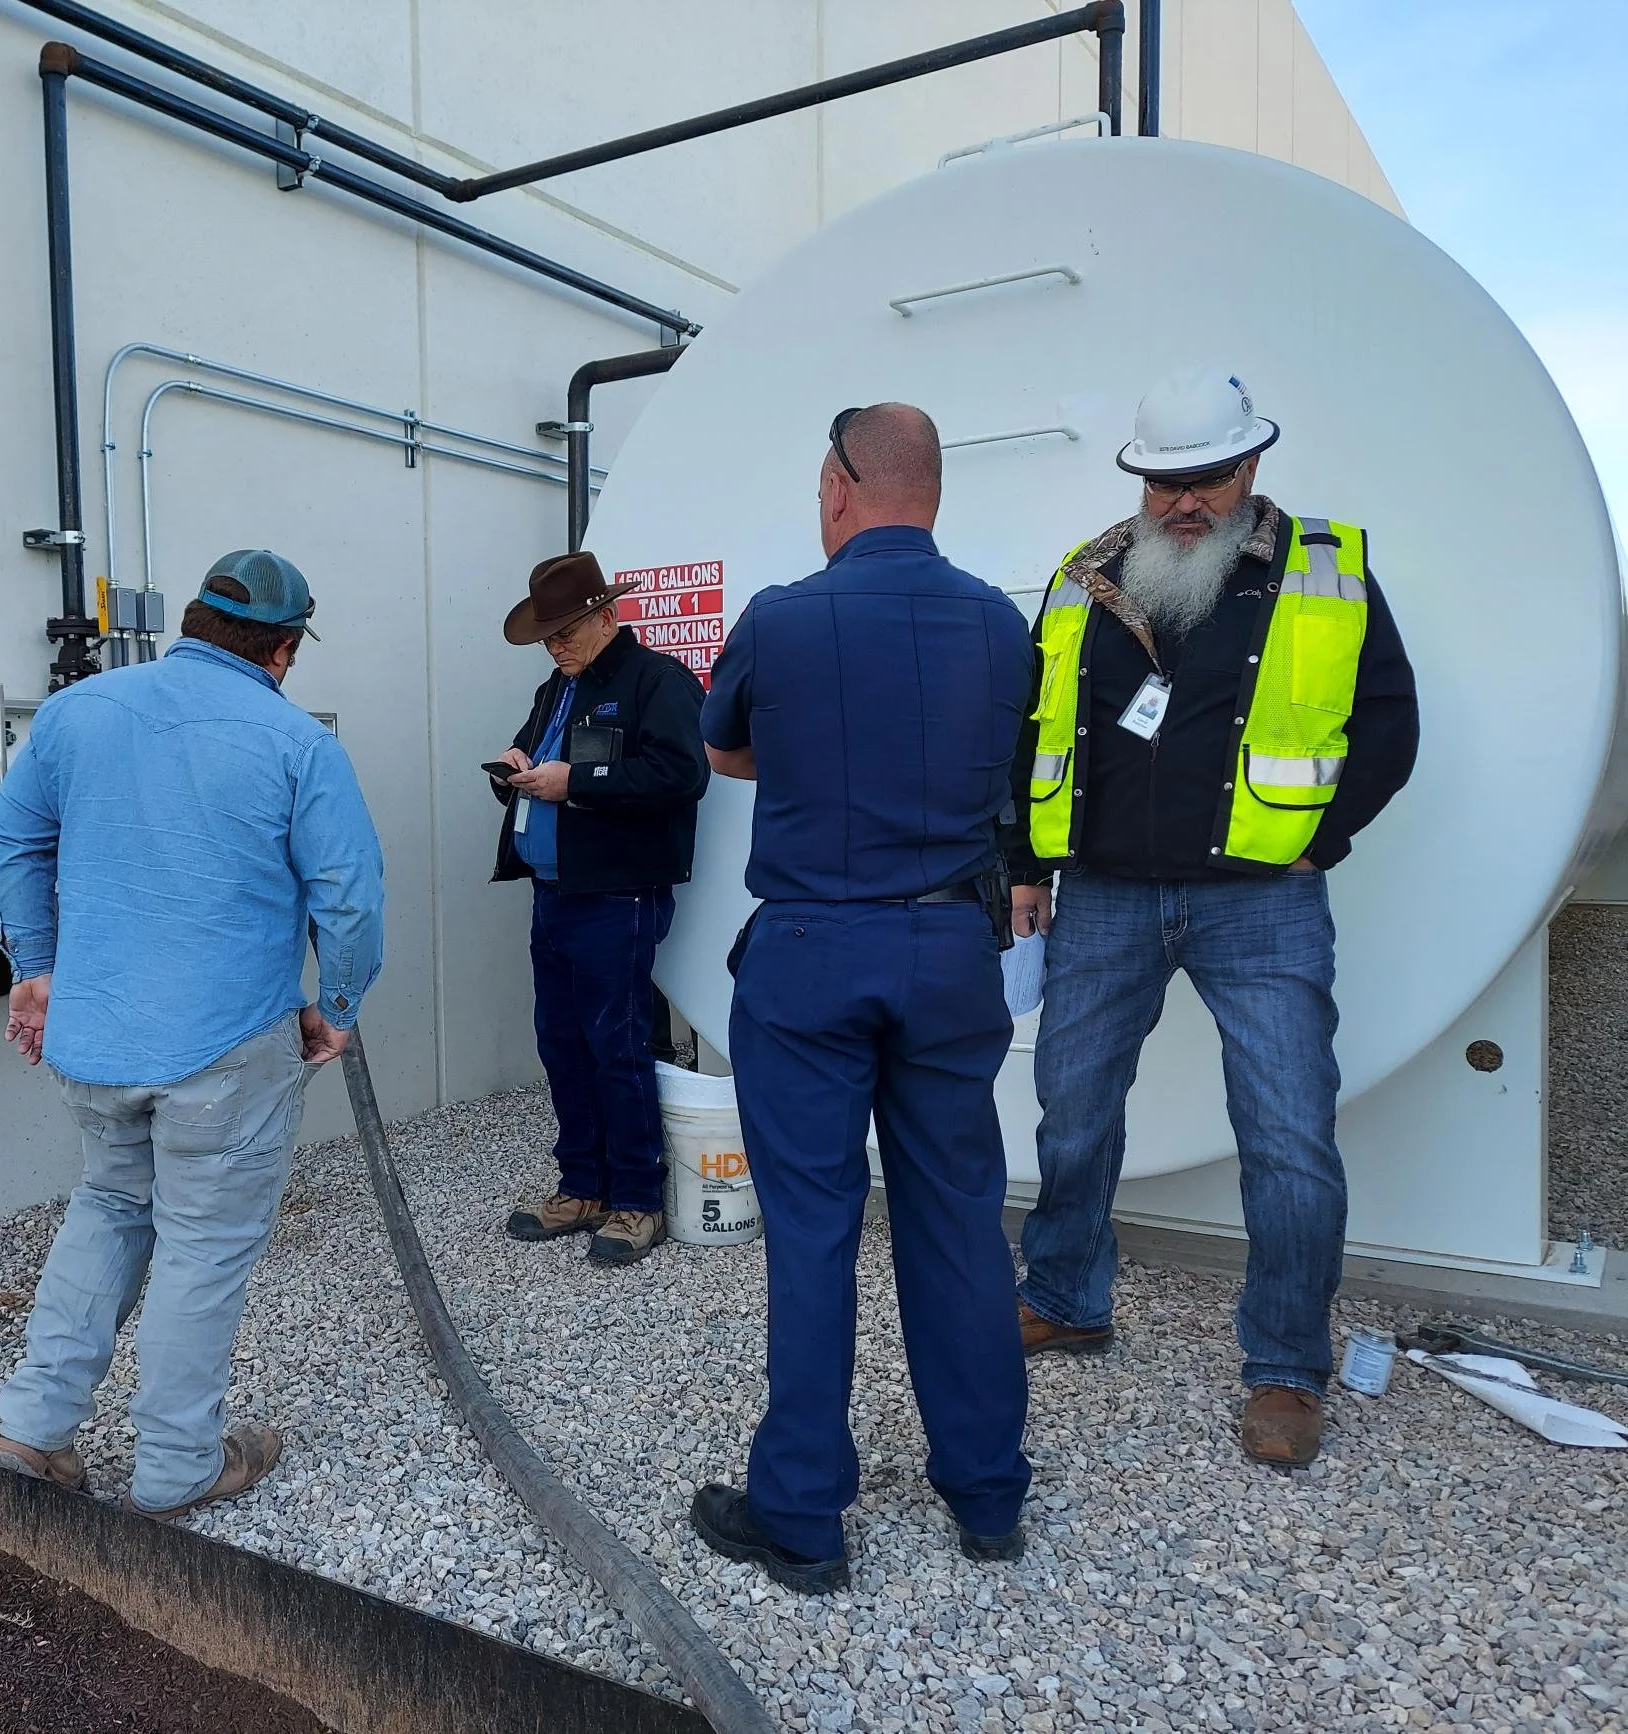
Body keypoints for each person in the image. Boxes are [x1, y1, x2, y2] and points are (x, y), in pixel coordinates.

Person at [1009, 368, 1419, 1468]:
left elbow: (1386, 726)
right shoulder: (1079, 579)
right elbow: (1034, 727)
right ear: (1137, 480)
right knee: (1071, 1113)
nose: (1183, 502)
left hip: (1261, 902)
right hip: (1104, 894)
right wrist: (1024, 860)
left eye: (1206, 478)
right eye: (1162, 483)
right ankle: (1064, 1297)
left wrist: (1310, 842)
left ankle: (1285, 1367)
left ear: (1250, 467)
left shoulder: (1322, 571)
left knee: (1286, 1136)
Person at [689, 404, 1035, 1593]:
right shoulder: (1002, 624)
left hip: (811, 951)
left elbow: (725, 750)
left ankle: (801, 1516)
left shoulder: (780, 618)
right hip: (948, 951)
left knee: (814, 1231)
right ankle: (987, 1495)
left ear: (839, 487)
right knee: (957, 1223)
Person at [0, 549, 385, 1517]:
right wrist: (338, 1005)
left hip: (94, 1035)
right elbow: (350, 901)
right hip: (225, 1045)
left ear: (192, 623)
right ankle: (174, 1467)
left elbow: (12, 838)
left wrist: (37, 968)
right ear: (283, 650)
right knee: (202, 1246)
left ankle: (29, 1431)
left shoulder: (76, 711)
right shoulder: (296, 744)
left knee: (108, 1206)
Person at [490, 551, 709, 1268]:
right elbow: (546, 766)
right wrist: (518, 772)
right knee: (562, 1043)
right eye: (548, 636)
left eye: (565, 632)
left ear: (606, 618)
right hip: (556, 890)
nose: (555, 646)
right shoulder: (559, 685)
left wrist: (575, 781)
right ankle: (583, 1186)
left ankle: (638, 1200)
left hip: (617, 894)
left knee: (615, 1046)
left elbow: (682, 773)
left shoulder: (658, 681)